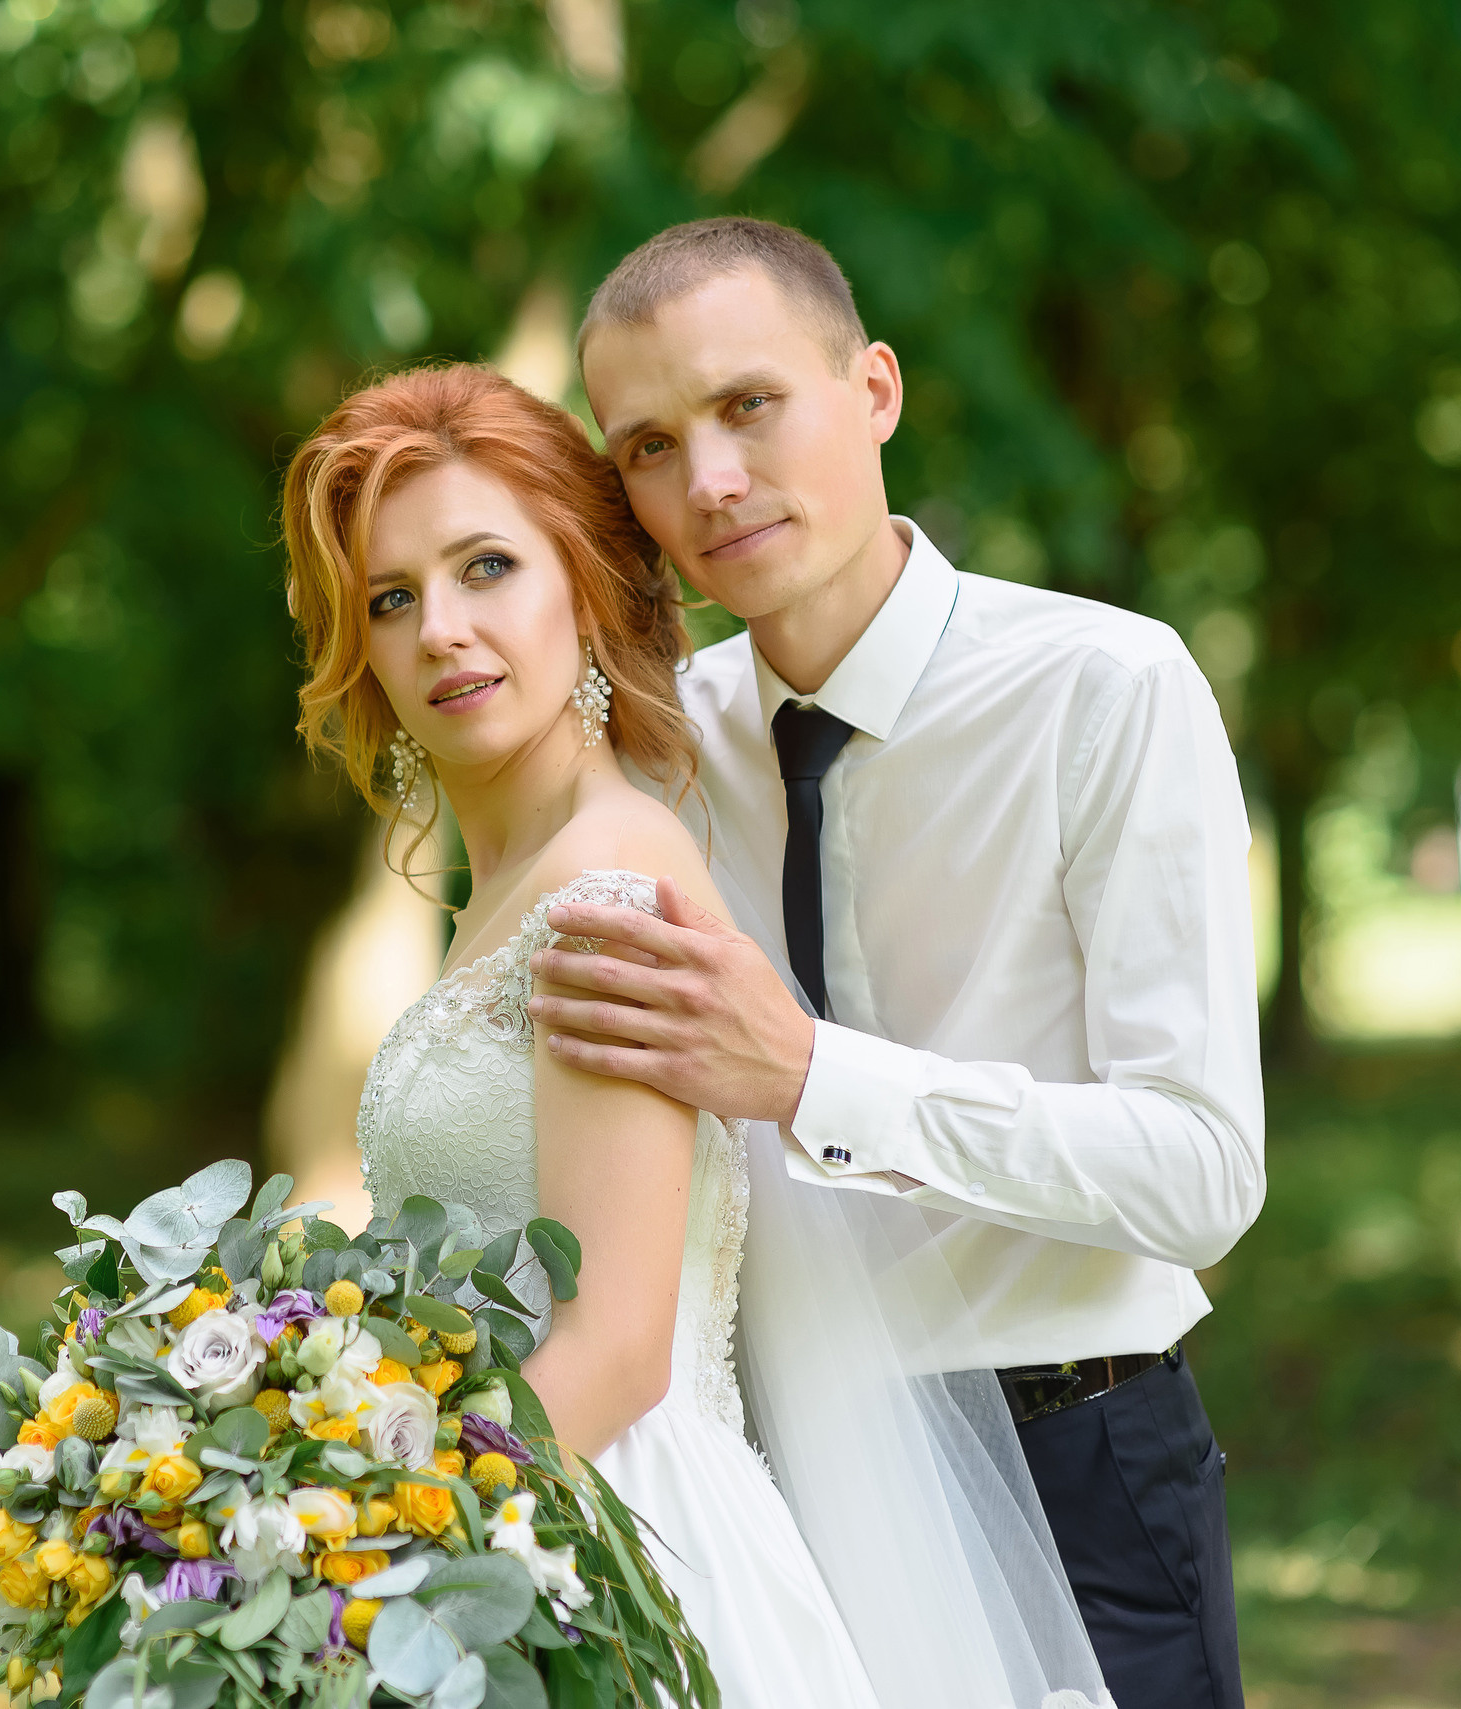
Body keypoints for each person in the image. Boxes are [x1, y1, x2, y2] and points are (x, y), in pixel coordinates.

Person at [282, 362, 1109, 1708]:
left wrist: (359, 1541)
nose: (439, 627)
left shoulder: (606, 885)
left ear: (585, 585)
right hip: (516, 1503)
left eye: (487, 567)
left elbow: (617, 1345)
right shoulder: (511, 878)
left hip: (607, 1535)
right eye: (391, 596)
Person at [532, 216, 1265, 1709]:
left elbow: (1203, 1172)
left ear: (872, 390)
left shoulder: (1105, 689)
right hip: (780, 1494)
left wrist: (811, 1077)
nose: (712, 480)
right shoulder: (656, 757)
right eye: (650, 447)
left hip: (1081, 1468)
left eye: (749, 407)